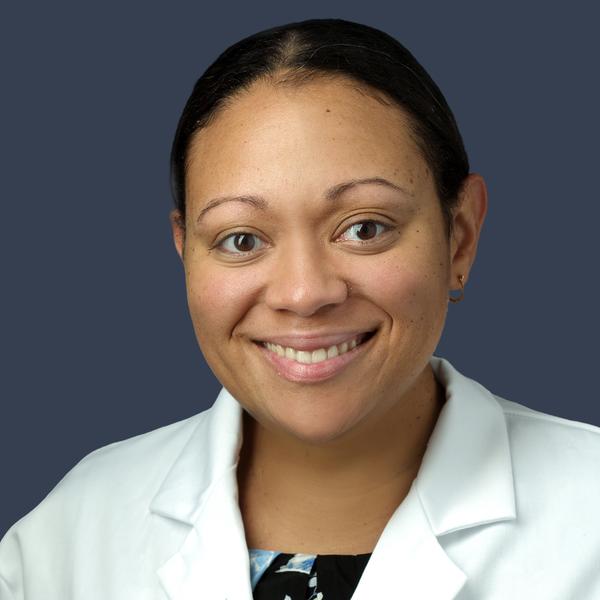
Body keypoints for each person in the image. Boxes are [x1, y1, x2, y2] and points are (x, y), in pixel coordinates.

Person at [1, 17, 599, 600]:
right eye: (242, 239)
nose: (304, 294)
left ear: (459, 236)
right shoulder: (69, 538)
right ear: (185, 252)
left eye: (364, 228)